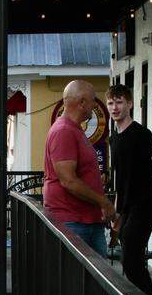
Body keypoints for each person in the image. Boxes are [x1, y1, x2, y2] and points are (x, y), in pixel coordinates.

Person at [107, 83, 152, 295]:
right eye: (110, 103)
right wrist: (117, 211)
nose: (114, 107)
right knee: (130, 260)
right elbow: (120, 178)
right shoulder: (114, 137)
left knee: (130, 259)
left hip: (144, 206)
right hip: (127, 208)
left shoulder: (141, 133)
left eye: (119, 102)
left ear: (130, 104)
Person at [43, 80, 116, 255]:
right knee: (80, 280)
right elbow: (68, 180)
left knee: (98, 280)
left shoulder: (74, 129)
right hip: (73, 222)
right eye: (93, 100)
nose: (95, 104)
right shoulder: (64, 131)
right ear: (82, 102)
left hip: (86, 220)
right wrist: (103, 202)